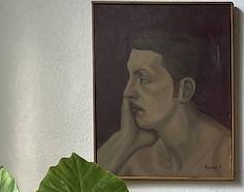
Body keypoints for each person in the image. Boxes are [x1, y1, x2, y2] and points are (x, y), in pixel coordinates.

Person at [96, 31, 232, 177]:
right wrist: (124, 138)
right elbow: (90, 191)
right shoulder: (135, 158)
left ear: (184, 90)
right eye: (129, 77)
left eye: (143, 78)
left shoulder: (225, 154)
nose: (128, 92)